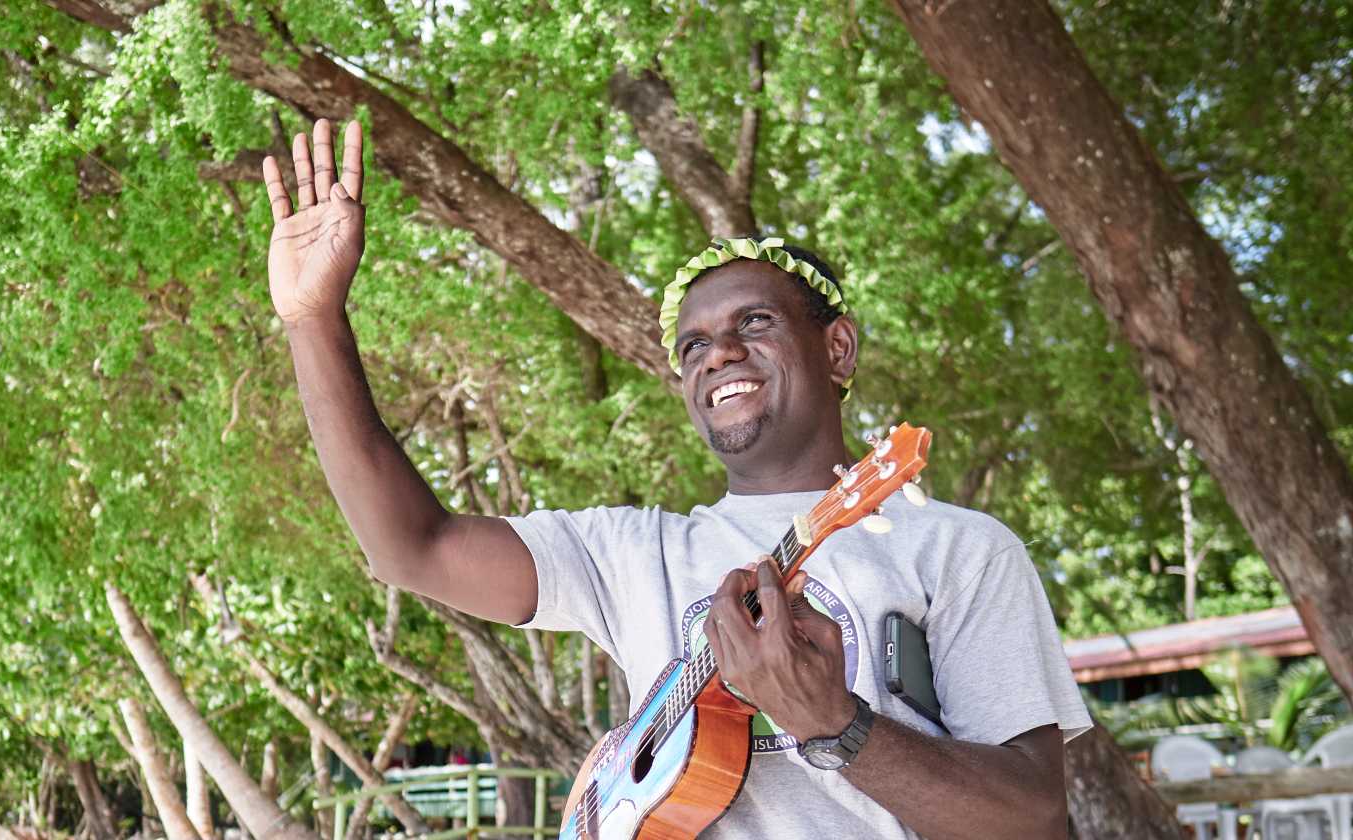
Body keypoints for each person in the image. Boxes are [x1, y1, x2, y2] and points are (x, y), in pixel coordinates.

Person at [263, 118, 1090, 839]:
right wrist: (313, 320)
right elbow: (412, 547)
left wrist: (834, 724)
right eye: (692, 346)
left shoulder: (959, 550)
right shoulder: (635, 553)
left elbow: (1032, 820)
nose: (718, 353)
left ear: (837, 349)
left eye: (753, 324)